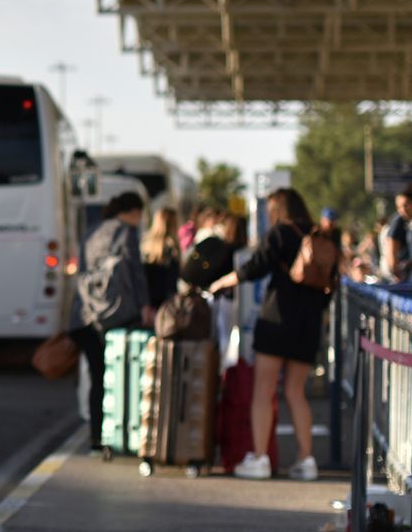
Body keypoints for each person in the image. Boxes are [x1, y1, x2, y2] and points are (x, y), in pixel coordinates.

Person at [206, 188, 331, 481]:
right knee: (296, 393)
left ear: (277, 209)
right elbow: (330, 283)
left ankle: (260, 458)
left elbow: (256, 265)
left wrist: (224, 280)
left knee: (263, 391)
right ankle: (306, 459)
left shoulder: (281, 234)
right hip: (307, 324)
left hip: (276, 320)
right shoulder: (321, 235)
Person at [71, 190, 152, 449]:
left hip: (84, 315)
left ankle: (97, 437)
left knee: (97, 377)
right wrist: (145, 305)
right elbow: (136, 272)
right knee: (118, 376)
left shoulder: (92, 231)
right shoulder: (126, 233)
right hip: (115, 316)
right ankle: (120, 435)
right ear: (133, 212)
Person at [141, 206, 181, 310]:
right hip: (166, 302)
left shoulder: (146, 244)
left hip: (149, 299)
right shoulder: (171, 247)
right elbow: (173, 279)